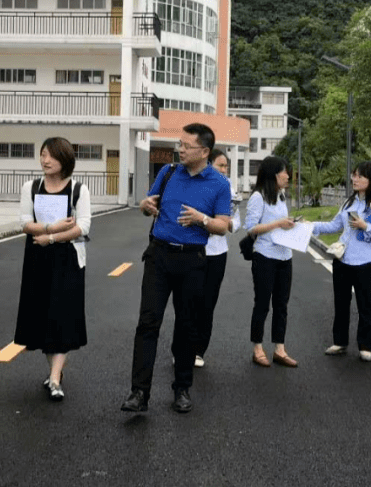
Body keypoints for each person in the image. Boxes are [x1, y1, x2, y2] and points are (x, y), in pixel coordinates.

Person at [121, 123, 232, 415]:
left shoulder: (219, 184)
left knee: (187, 326)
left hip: (193, 260)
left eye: (187, 146)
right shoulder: (168, 172)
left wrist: (201, 219)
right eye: (179, 144)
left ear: (204, 151)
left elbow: (224, 225)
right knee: (148, 323)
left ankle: (181, 389)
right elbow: (149, 205)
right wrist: (145, 205)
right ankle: (139, 392)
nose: (180, 149)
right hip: (158, 256)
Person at [15, 137, 91, 402]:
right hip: (37, 258)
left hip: (67, 259)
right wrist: (51, 228)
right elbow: (25, 223)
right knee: (43, 318)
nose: (45, 160)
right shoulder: (31, 187)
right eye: (43, 154)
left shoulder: (79, 189)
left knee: (62, 316)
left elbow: (83, 226)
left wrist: (52, 237)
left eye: (51, 156)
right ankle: (54, 373)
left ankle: (55, 378)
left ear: (65, 159)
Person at [245, 156, 330, 368]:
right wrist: (278, 224)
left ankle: (279, 349)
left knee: (281, 305)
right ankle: (257, 348)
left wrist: (290, 224)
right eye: (285, 172)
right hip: (264, 256)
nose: (288, 175)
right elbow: (251, 228)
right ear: (275, 173)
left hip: (285, 256)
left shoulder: (281, 196)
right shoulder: (258, 197)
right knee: (262, 304)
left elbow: (280, 224)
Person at [318, 160, 371, 363]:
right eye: (354, 175)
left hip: (364, 263)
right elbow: (334, 225)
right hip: (342, 261)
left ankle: (365, 346)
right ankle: (340, 342)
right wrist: (310, 227)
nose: (355, 179)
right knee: (341, 303)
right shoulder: (348, 202)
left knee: (365, 305)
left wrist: (365, 225)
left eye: (360, 176)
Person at [193, 147, 240, 368]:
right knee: (189, 302)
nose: (224, 170)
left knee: (208, 303)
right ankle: (182, 347)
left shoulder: (229, 189)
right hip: (194, 249)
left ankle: (199, 350)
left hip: (217, 253)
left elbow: (237, 221)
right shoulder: (196, 184)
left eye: (226, 167)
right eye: (221, 165)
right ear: (208, 164)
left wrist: (226, 223)